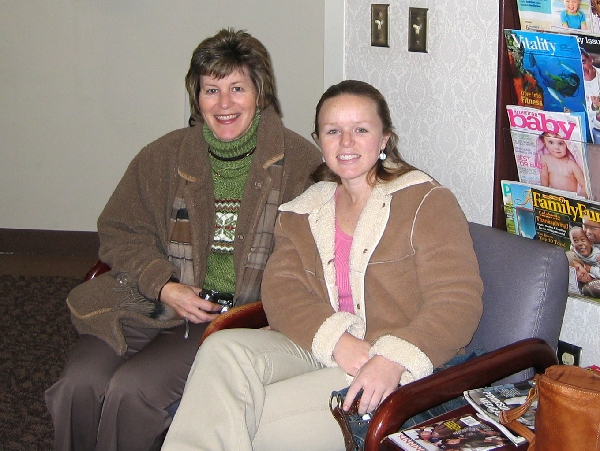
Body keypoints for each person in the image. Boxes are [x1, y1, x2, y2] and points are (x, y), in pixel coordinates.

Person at [161, 80, 484, 451]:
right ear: (319, 140)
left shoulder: (426, 201)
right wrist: (336, 341)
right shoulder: (305, 209)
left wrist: (393, 358)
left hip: (394, 364)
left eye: (360, 130)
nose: (346, 143)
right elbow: (281, 291)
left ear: (384, 140)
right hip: (324, 347)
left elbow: (457, 301)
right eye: (333, 131)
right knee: (223, 350)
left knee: (252, 425)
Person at [44, 28, 322, 451]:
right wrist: (162, 283)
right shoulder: (163, 155)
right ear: (196, 97)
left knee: (132, 392)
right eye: (212, 90)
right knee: (77, 384)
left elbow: (313, 257)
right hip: (146, 299)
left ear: (260, 92)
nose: (224, 103)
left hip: (228, 319)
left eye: (237, 88)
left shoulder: (301, 163)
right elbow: (121, 231)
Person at [536, 132, 587, 197]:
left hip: (570, 199)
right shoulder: (545, 159)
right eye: (551, 142)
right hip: (554, 197)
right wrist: (544, 194)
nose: (556, 147)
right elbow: (544, 176)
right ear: (544, 143)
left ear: (567, 145)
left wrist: (581, 198)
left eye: (560, 143)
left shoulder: (571, 165)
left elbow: (584, 185)